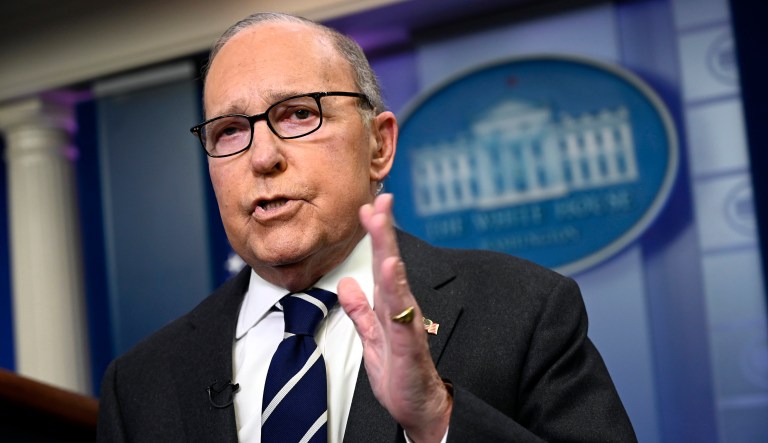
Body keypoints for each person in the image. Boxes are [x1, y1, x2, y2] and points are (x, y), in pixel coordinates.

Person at [96, 12, 636, 443]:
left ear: (379, 145)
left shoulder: (524, 310)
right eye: (230, 130)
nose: (262, 157)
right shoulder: (140, 384)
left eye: (298, 115)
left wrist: (437, 421)